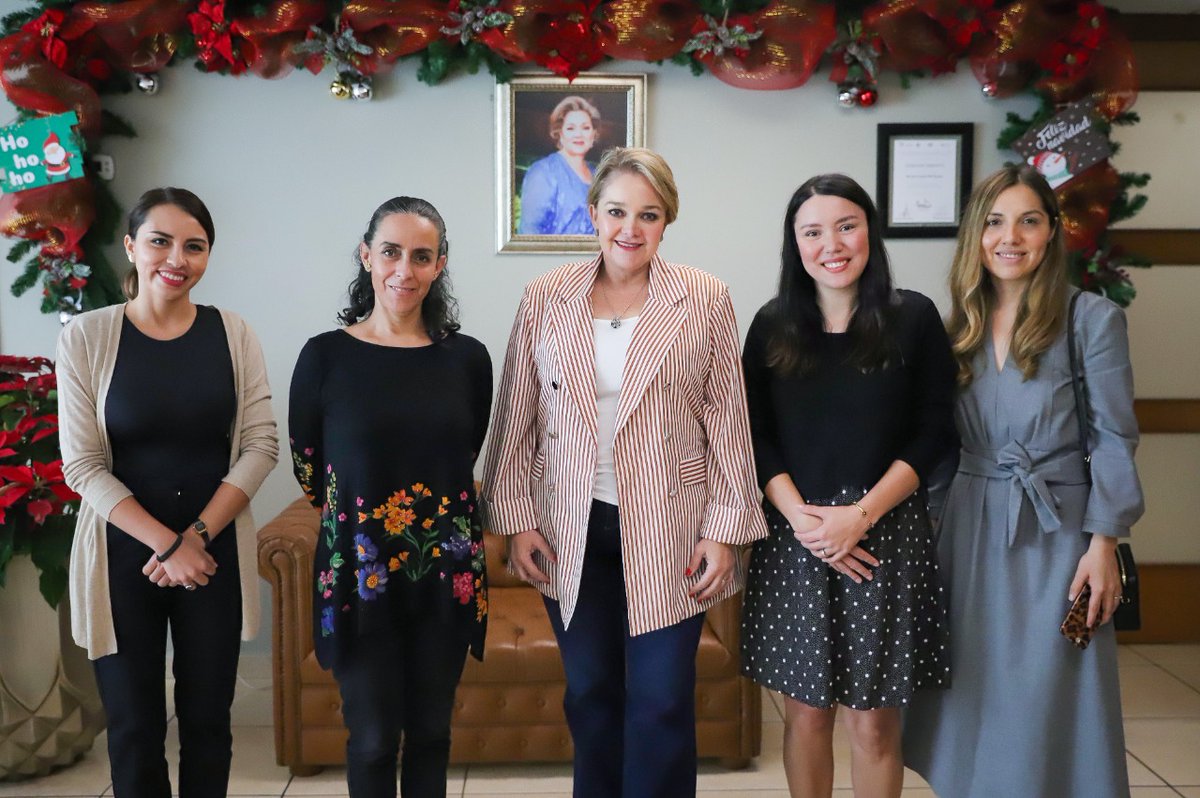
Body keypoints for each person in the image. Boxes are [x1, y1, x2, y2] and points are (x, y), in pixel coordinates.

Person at [483, 147, 767, 797]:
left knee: (663, 702)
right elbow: (517, 416)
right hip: (567, 528)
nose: (630, 229)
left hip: (671, 526)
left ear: (667, 222)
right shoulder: (545, 298)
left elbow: (728, 420)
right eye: (616, 211)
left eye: (649, 214)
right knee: (590, 696)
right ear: (592, 214)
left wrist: (724, 531)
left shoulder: (704, 297)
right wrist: (517, 520)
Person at [902, 165, 1144, 797]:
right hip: (968, 531)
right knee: (972, 695)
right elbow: (941, 448)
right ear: (975, 235)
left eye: (1028, 220)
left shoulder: (1091, 319)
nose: (1010, 237)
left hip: (1059, 534)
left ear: (1050, 233)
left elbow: (1114, 438)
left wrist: (1104, 543)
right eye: (994, 220)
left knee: (1048, 693)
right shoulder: (957, 328)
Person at [56, 187, 279, 798]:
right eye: (160, 241)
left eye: (195, 246)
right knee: (134, 729)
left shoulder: (232, 334)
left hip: (212, 554)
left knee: (209, 724)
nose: (176, 258)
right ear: (132, 246)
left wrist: (197, 538)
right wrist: (165, 544)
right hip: (123, 557)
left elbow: (261, 445)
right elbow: (82, 465)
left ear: (208, 255)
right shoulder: (86, 337)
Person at [740, 174, 957, 798]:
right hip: (794, 541)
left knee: (873, 722)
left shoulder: (911, 317)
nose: (831, 244)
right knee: (805, 715)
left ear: (870, 231)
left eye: (846, 225)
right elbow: (752, 434)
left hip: (885, 538)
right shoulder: (772, 326)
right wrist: (803, 518)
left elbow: (933, 431)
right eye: (812, 232)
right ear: (795, 245)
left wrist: (859, 516)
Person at [288, 196, 492, 798]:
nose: (405, 269)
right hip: (360, 577)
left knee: (431, 736)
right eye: (391, 252)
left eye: (422, 256)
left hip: (445, 576)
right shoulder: (325, 356)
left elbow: (468, 449)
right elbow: (310, 469)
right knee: (374, 740)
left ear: (440, 264)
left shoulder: (468, 359)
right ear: (367, 255)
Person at [518, 95, 601, 235]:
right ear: (559, 134)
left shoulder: (598, 174)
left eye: (585, 128)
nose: (578, 134)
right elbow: (529, 232)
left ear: (593, 134)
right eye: (570, 128)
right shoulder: (543, 172)